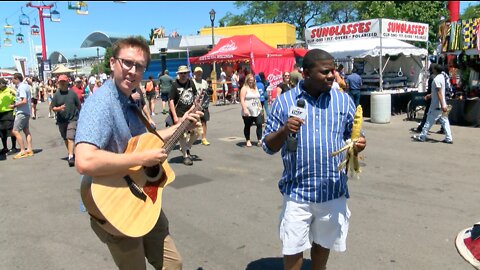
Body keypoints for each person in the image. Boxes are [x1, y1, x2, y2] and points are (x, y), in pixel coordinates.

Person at [75, 37, 202, 270]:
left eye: (139, 66)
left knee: (173, 264)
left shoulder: (131, 99)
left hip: (144, 196)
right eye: (127, 63)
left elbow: (146, 142)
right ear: (113, 63)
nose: (133, 71)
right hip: (115, 204)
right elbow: (84, 160)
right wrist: (142, 159)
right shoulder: (100, 104)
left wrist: (182, 124)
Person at [261, 49, 366, 270]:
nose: (332, 75)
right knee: (292, 246)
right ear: (306, 72)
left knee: (323, 243)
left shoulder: (343, 101)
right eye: (325, 71)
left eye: (334, 71)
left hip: (332, 190)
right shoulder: (284, 102)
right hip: (297, 192)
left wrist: (358, 143)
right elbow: (267, 146)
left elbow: (352, 134)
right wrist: (284, 130)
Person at [412, 63, 453, 144]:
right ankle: (449, 138)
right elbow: (438, 91)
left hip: (436, 106)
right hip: (442, 104)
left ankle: (422, 136)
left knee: (428, 121)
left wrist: (442, 105)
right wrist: (430, 95)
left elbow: (439, 93)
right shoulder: (442, 77)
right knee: (445, 121)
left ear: (435, 70)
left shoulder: (436, 79)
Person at [168, 65, 201, 166]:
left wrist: (196, 105)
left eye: (185, 73)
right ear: (178, 74)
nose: (183, 75)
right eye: (181, 73)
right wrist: (174, 117)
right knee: (182, 135)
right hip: (179, 114)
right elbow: (171, 101)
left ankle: (186, 147)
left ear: (188, 74)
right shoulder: (174, 85)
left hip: (191, 112)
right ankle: (185, 156)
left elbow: (195, 96)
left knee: (198, 131)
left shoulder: (191, 82)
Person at [51, 74, 81, 167]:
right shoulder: (56, 95)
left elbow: (78, 105)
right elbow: (53, 107)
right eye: (61, 82)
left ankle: (71, 157)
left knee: (70, 137)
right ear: (58, 83)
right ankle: (71, 152)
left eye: (64, 81)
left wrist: (80, 116)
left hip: (72, 119)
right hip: (61, 120)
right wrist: (59, 108)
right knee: (65, 138)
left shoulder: (72, 93)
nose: (63, 83)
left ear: (68, 82)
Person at [10, 73, 33, 159]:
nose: (12, 80)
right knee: (26, 130)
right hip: (26, 111)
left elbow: (24, 100)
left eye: (13, 79)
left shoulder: (22, 87)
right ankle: (29, 149)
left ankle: (23, 150)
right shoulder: (25, 86)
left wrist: (14, 105)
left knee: (15, 131)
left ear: (16, 79)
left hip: (22, 112)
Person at [240, 74, 263, 147]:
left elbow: (258, 99)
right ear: (247, 80)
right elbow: (242, 99)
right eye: (250, 80)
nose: (251, 82)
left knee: (259, 124)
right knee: (247, 125)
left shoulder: (255, 87)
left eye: (252, 81)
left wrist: (261, 109)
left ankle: (259, 140)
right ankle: (248, 140)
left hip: (257, 109)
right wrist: (245, 109)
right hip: (248, 110)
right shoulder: (244, 88)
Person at [192, 67, 211, 146]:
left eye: (200, 72)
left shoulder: (204, 82)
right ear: (194, 73)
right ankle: (191, 138)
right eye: (197, 72)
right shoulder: (191, 82)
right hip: (194, 106)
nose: (199, 74)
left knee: (204, 122)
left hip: (203, 106)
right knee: (193, 123)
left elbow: (207, 95)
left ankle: (203, 138)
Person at [0, 78, 16, 156]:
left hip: (9, 112)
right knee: (2, 131)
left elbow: (17, 98)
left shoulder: (10, 90)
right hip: (1, 113)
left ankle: (14, 147)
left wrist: (14, 105)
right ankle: (5, 147)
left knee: (11, 130)